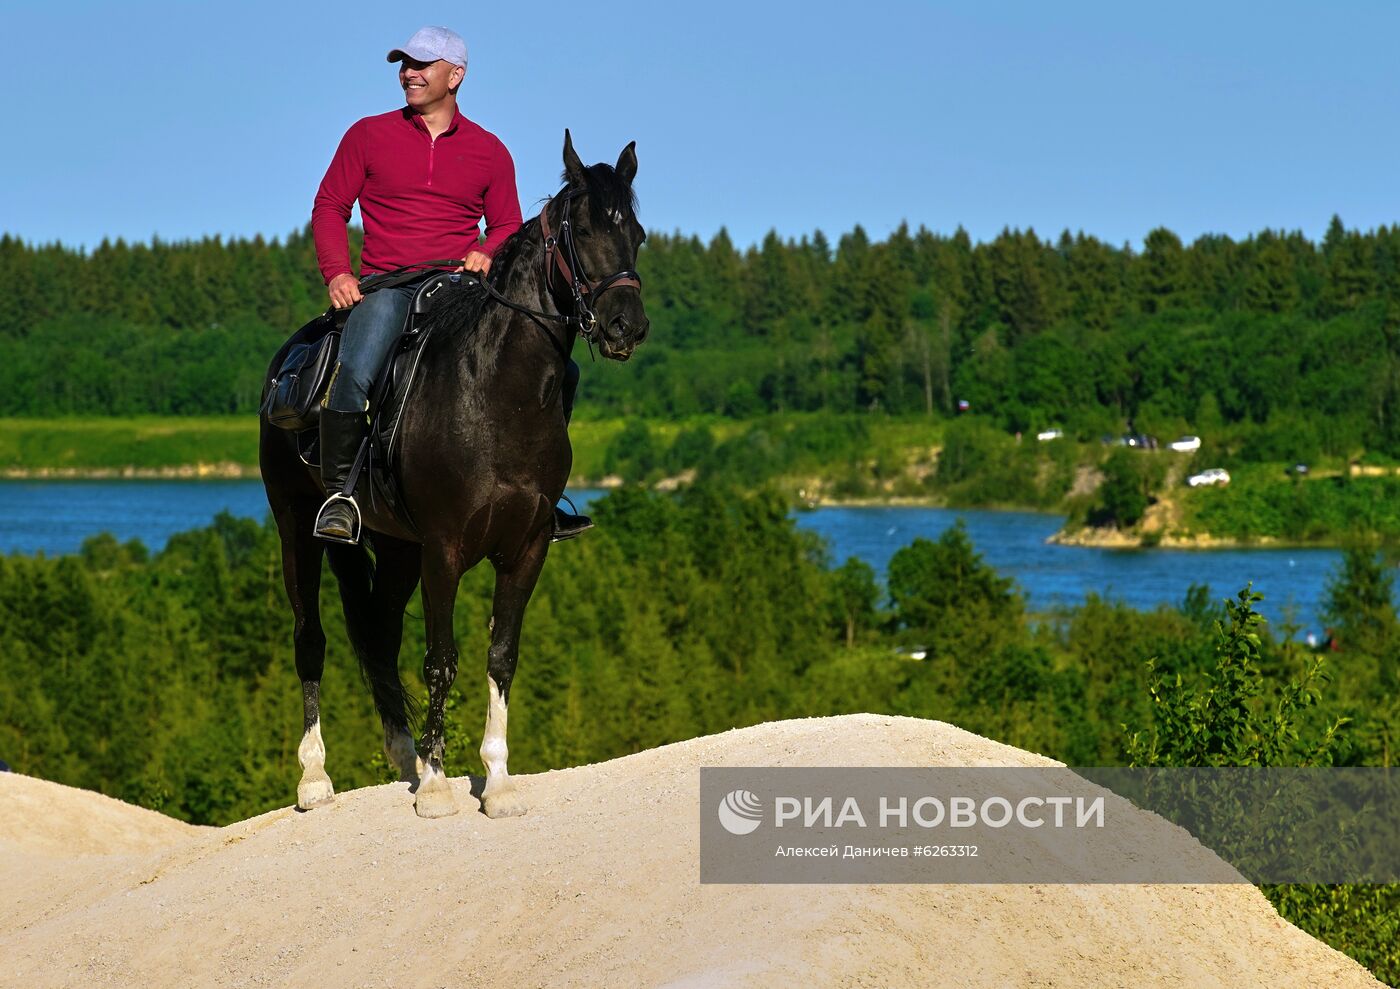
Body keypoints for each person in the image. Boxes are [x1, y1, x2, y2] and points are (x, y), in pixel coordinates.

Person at [310, 26, 591, 543]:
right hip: (387, 287)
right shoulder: (367, 135)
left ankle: (542, 498)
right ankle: (340, 495)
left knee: (563, 370)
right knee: (358, 367)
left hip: (461, 287)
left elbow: (507, 221)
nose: (409, 73)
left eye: (421, 64)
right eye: (404, 65)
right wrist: (339, 272)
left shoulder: (489, 150)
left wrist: (487, 250)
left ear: (455, 75)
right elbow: (330, 207)